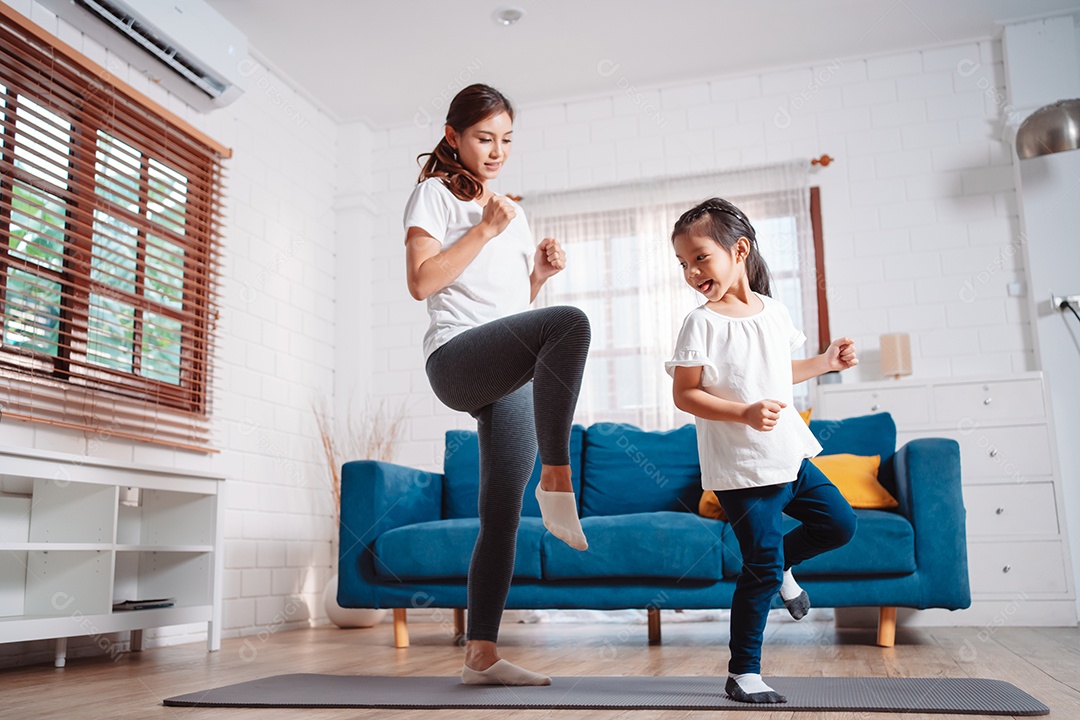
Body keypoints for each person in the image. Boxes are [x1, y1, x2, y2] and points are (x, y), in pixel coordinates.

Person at [403, 83, 591, 687]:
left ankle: (481, 654)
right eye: (484, 138)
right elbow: (423, 282)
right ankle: (558, 478)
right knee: (572, 323)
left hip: (499, 362)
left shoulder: (511, 209)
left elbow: (507, 310)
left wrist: (536, 274)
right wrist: (483, 229)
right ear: (455, 136)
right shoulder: (433, 195)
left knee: (501, 514)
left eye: (506, 140)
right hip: (455, 359)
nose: (496, 150)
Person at [665, 198, 859, 704]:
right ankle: (743, 673)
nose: (691, 272)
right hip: (741, 469)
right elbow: (685, 394)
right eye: (683, 263)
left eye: (700, 258)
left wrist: (825, 362)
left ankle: (783, 568)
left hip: (788, 453)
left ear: (739, 250)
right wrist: (744, 413)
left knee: (839, 524)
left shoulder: (774, 310)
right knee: (760, 567)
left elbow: (775, 372)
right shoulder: (700, 323)